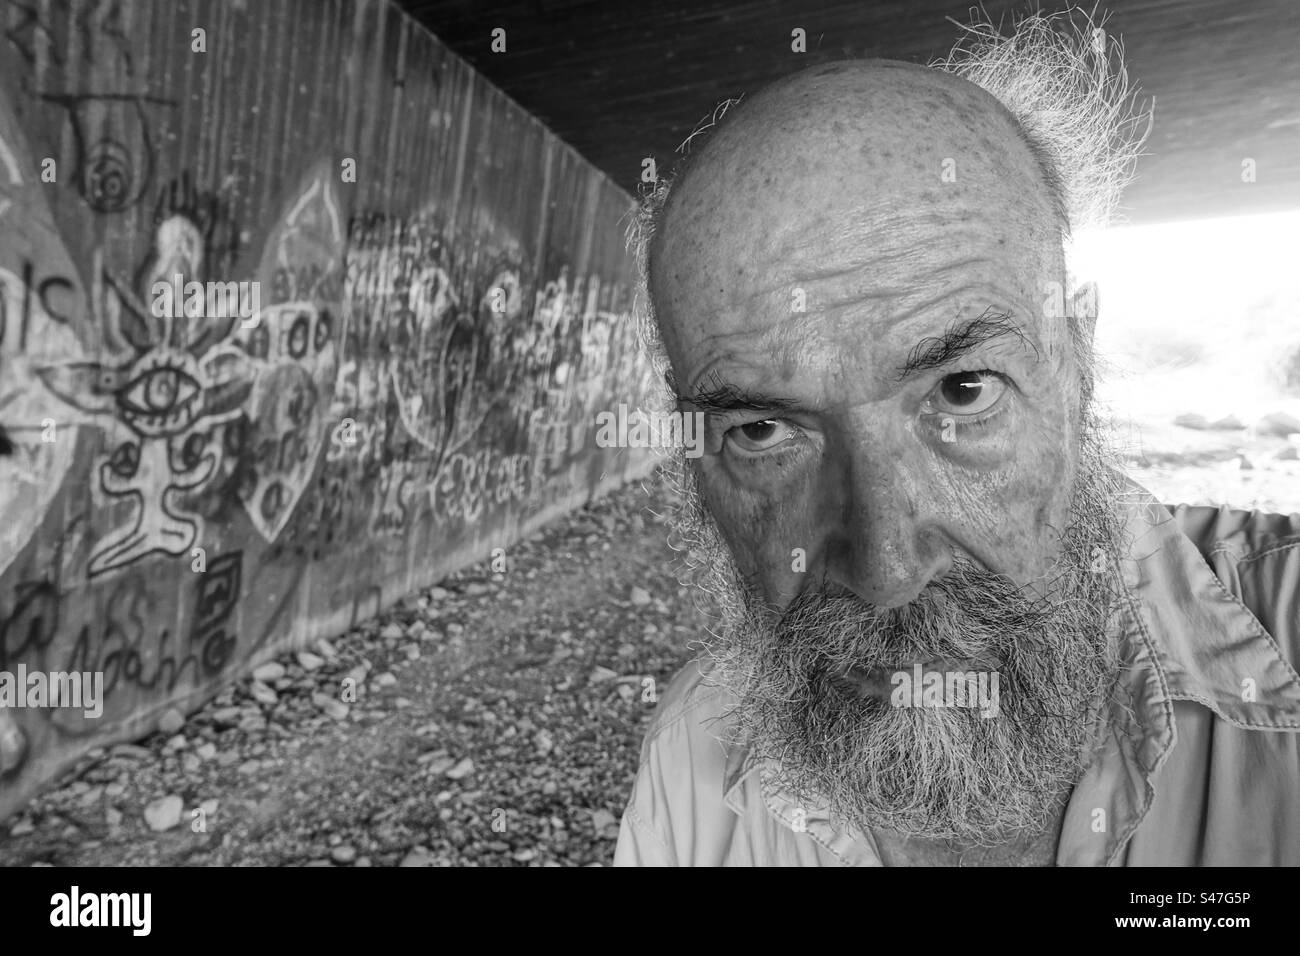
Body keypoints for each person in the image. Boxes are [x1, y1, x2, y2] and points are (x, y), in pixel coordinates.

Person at [614, 9, 1300, 866]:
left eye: (962, 390)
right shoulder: (688, 760)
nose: (887, 572)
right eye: (761, 430)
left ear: (1074, 362)